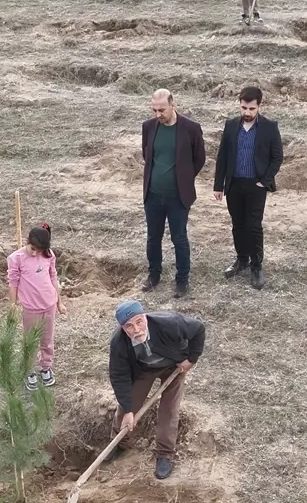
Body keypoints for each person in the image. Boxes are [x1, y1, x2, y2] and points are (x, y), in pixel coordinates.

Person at [108, 301, 205, 480]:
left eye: (139, 322)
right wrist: (129, 410)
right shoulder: (119, 343)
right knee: (126, 409)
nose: (137, 330)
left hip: (174, 366)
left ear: (145, 317)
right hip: (144, 368)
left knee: (169, 409)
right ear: (123, 328)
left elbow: (198, 329)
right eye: (129, 326)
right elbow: (119, 376)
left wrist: (191, 359)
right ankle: (119, 443)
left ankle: (164, 454)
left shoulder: (170, 324)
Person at [212, 86, 283, 291]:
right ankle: (241, 259)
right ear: (239, 105)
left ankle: (256, 266)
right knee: (238, 224)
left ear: (259, 106)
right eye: (244, 108)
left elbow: (277, 157)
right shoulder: (231, 125)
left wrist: (265, 181)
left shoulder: (269, 127)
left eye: (252, 108)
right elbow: (222, 157)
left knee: (254, 226)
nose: (247, 112)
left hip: (256, 185)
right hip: (234, 184)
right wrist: (218, 185)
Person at [141, 89, 206, 298]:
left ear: (172, 105)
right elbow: (147, 155)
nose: (157, 114)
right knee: (153, 237)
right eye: (154, 110)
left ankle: (182, 280)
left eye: (162, 110)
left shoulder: (191, 128)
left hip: (178, 197)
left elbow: (199, 158)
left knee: (179, 238)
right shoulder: (148, 127)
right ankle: (154, 275)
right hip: (153, 195)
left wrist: (184, 178)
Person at [7, 224, 66, 390]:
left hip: (49, 304)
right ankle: (29, 369)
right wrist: (13, 305)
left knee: (47, 340)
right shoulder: (16, 258)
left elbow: (53, 277)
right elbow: (13, 282)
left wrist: (59, 302)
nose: (35, 253)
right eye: (32, 249)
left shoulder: (49, 255)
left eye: (39, 251)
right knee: (30, 341)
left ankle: (46, 367)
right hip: (30, 307)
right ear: (27, 241)